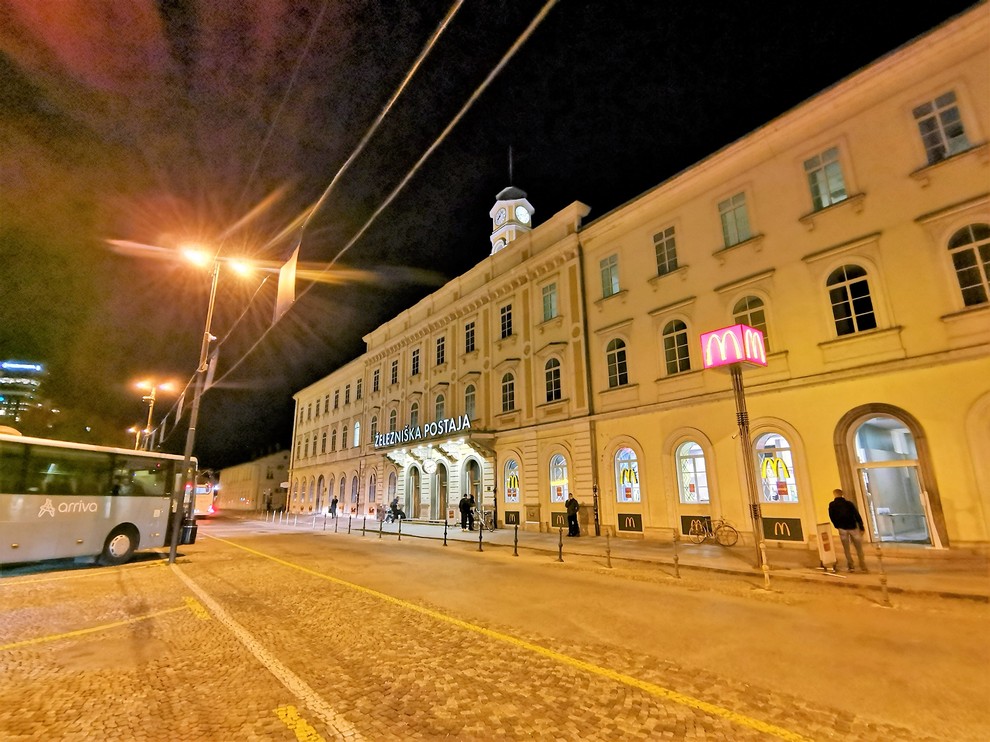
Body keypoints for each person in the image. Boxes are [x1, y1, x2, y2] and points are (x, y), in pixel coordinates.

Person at [828, 488, 868, 572]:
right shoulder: (849, 504)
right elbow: (856, 515)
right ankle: (862, 565)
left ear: (834, 495)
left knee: (846, 548)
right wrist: (861, 526)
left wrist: (836, 525)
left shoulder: (832, 505)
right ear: (842, 494)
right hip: (852, 526)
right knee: (858, 547)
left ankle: (851, 566)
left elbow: (832, 516)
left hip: (842, 528)